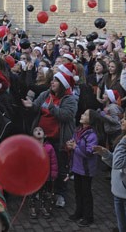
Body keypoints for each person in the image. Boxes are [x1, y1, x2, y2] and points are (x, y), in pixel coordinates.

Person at [21, 71, 78, 209]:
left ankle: (60, 194)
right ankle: (42, 190)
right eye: (52, 80)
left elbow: (66, 115)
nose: (52, 82)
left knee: (59, 166)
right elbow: (37, 106)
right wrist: (31, 105)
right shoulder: (46, 94)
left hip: (58, 139)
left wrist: (52, 107)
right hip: (42, 138)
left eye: (56, 81)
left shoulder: (70, 99)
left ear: (63, 85)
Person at [65, 109, 104, 226]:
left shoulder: (92, 135)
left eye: (85, 114)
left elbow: (88, 153)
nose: (82, 115)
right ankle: (79, 212)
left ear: (91, 120)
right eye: (83, 113)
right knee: (78, 192)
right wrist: (70, 144)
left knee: (86, 193)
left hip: (86, 169)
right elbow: (74, 143)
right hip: (77, 167)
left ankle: (88, 217)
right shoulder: (78, 130)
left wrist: (75, 147)